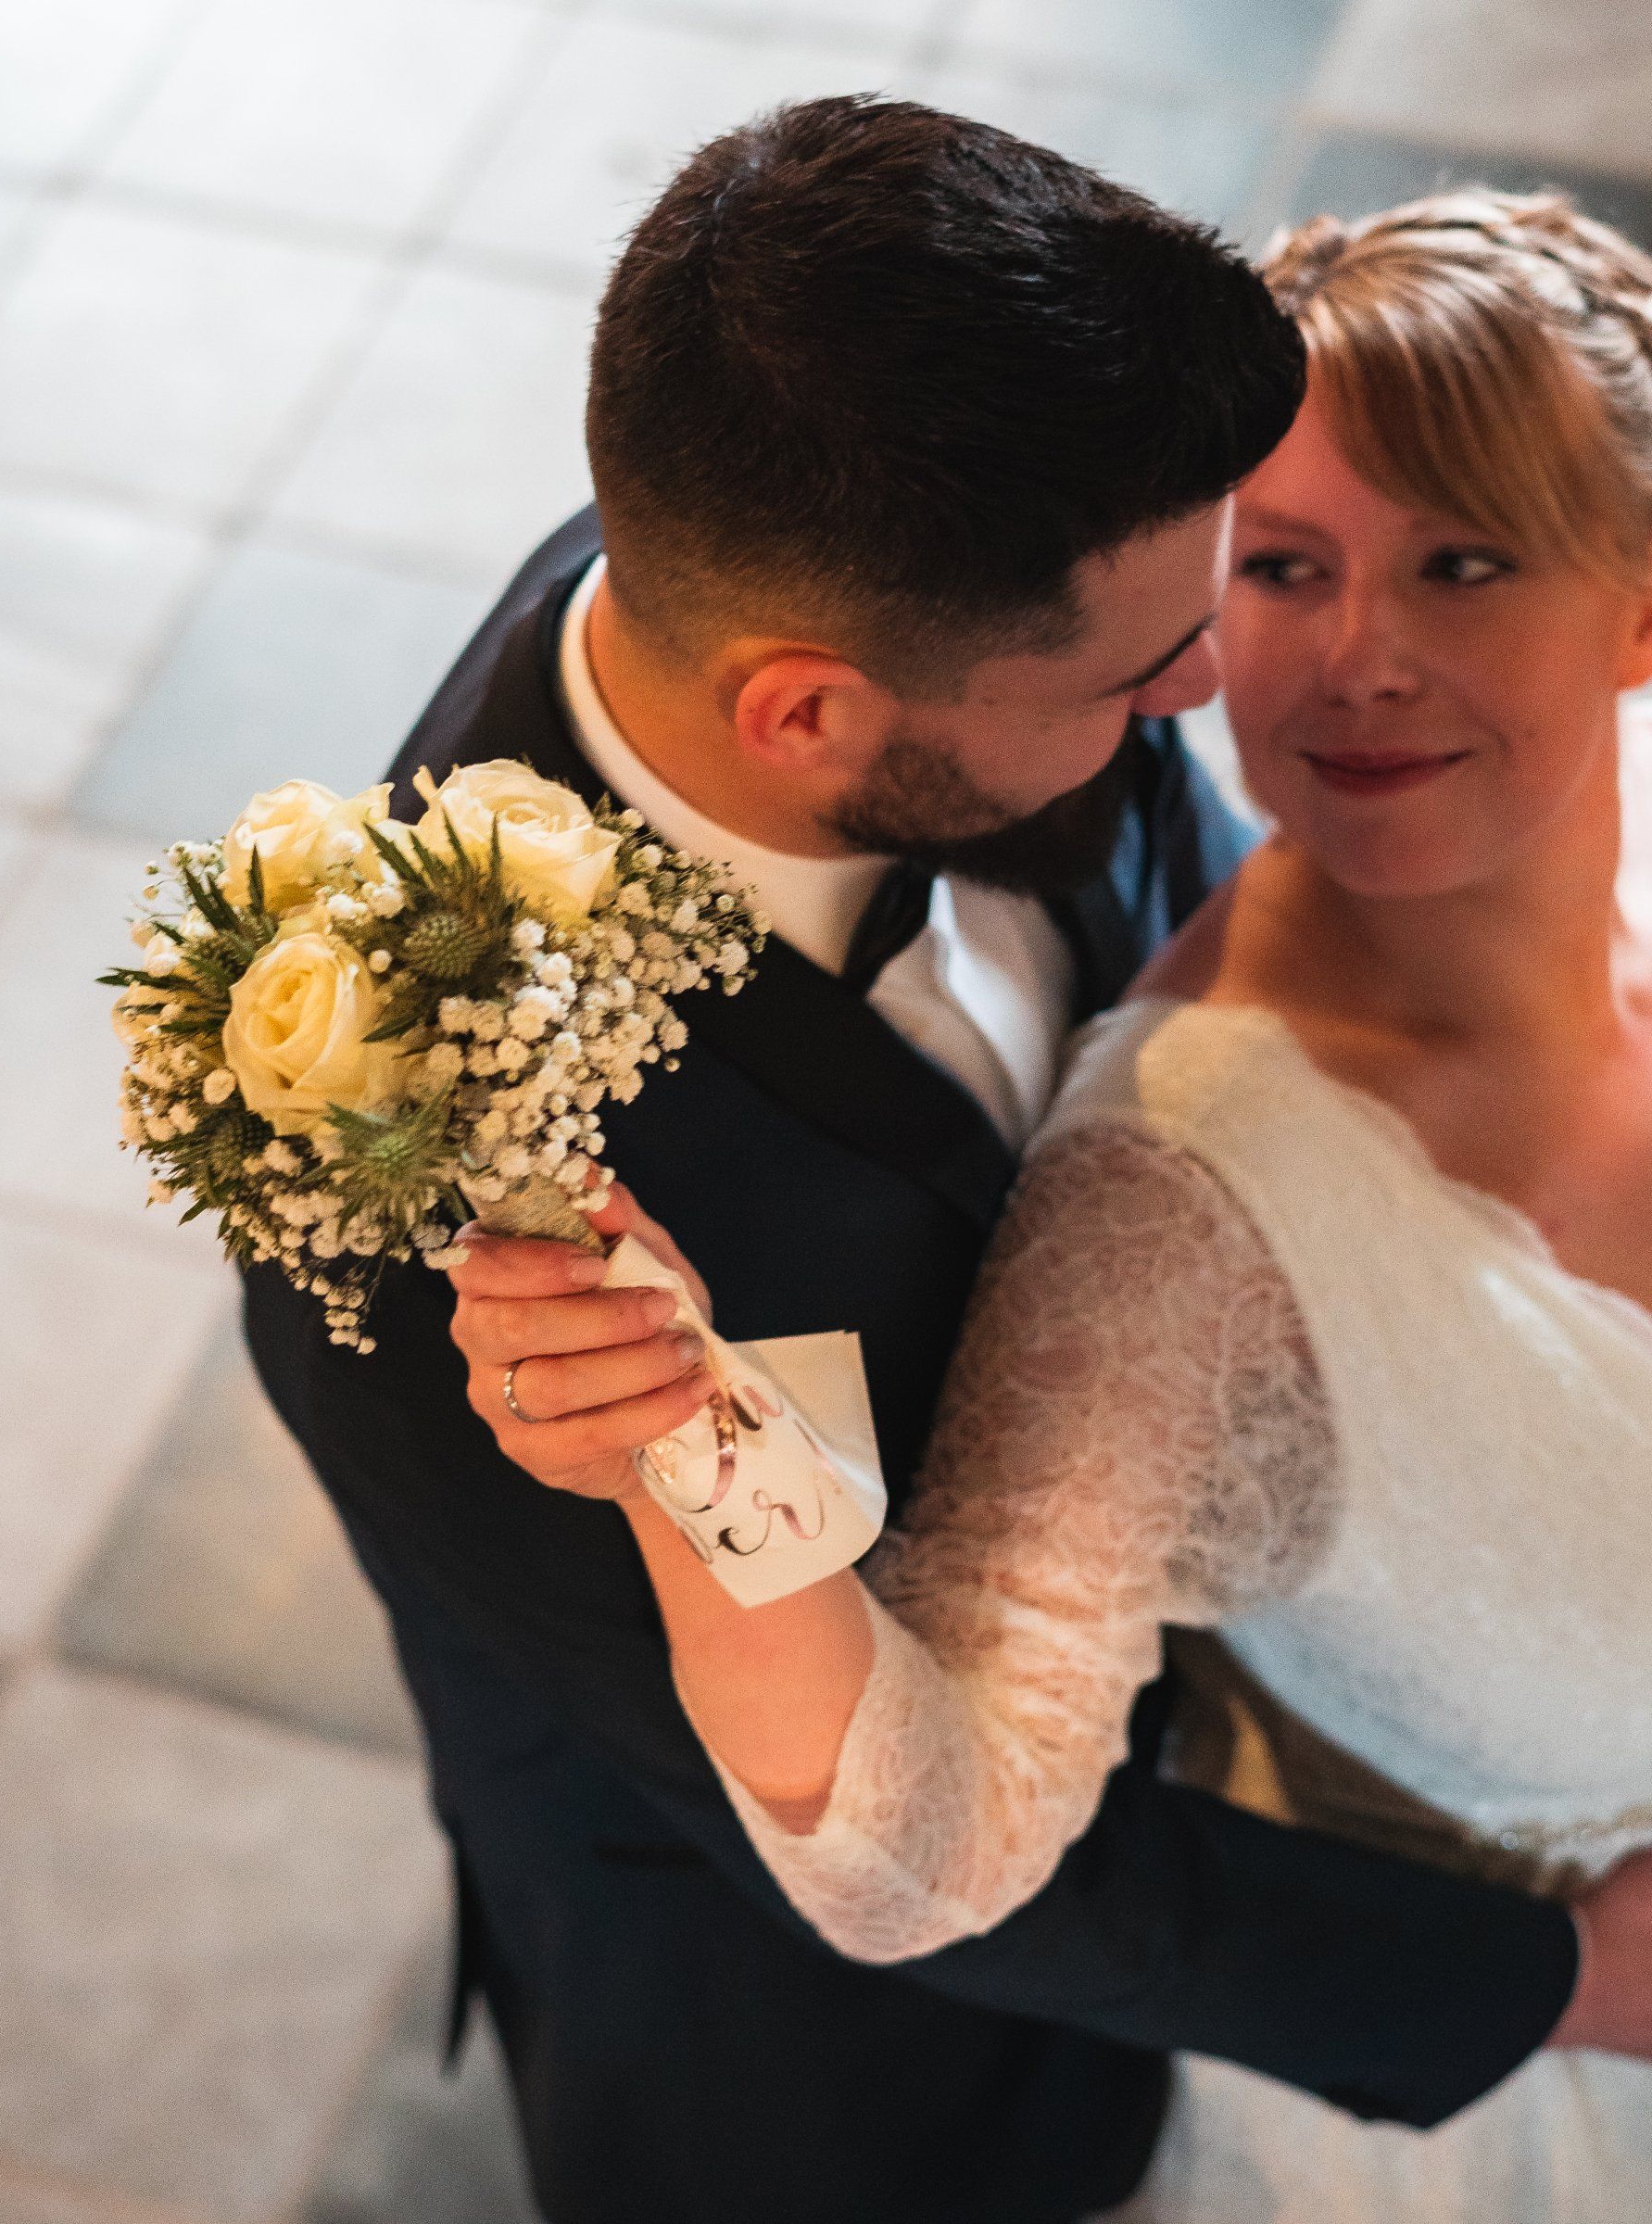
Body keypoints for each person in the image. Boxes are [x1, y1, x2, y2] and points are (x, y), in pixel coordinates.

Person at [244, 99, 1587, 2224]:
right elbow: (918, 1847)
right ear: (808, 717)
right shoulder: (455, 1215)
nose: (1213, 690)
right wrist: (1553, 1981)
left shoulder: (856, 538)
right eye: (1146, 671)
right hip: (830, 2056)